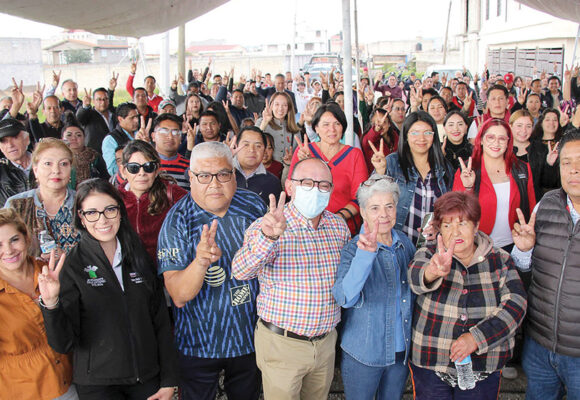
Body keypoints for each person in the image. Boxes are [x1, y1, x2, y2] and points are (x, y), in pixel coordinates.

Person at [38, 178, 178, 399]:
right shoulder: (72, 265)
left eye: (109, 210)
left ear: (120, 212)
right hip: (98, 384)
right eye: (91, 213)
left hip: (146, 377)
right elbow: (63, 343)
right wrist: (51, 304)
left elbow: (160, 320)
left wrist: (169, 378)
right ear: (81, 219)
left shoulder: (139, 256)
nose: (102, 220)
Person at [232, 157, 351, 400]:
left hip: (326, 342)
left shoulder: (339, 227)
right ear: (289, 187)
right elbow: (241, 271)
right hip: (283, 344)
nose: (315, 190)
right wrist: (268, 237)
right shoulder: (268, 225)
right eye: (307, 182)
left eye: (323, 185)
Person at [157, 142, 266, 400]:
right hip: (198, 341)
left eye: (223, 174)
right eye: (204, 176)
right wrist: (200, 262)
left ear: (234, 174)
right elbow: (179, 295)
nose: (214, 183)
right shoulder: (177, 221)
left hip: (250, 336)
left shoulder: (253, 206)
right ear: (191, 178)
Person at [408, 191, 527, 399]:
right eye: (447, 225)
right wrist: (433, 272)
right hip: (431, 361)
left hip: (484, 365)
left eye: (462, 223)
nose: (455, 232)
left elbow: (516, 304)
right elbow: (415, 278)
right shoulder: (428, 253)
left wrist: (476, 338)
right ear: (439, 230)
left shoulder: (500, 259)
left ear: (476, 226)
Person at [510, 131, 580, 399]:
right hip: (539, 346)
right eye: (566, 163)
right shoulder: (547, 205)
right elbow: (523, 268)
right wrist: (524, 249)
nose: (573, 170)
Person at [332, 176, 416, 400]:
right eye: (375, 208)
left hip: (400, 352)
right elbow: (344, 298)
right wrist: (365, 256)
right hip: (364, 353)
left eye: (389, 206)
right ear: (363, 211)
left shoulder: (405, 245)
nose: (383, 214)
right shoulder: (353, 248)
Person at [0, 208, 76, 400]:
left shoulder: (49, 272)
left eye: (14, 240)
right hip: (23, 390)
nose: (8, 250)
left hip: (71, 382)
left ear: (26, 238)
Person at [453, 118, 536, 251]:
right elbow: (457, 214)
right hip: (478, 246)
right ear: (481, 140)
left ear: (508, 142)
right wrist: (468, 187)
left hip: (515, 245)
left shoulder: (522, 168)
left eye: (502, 138)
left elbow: (531, 210)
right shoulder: (467, 170)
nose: (496, 143)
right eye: (490, 137)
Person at [373, 111, 453, 246]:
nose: (421, 138)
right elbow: (370, 198)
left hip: (431, 248)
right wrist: (380, 172)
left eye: (427, 133)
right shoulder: (392, 162)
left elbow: (451, 210)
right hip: (397, 245)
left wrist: (440, 228)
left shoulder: (444, 168)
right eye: (415, 133)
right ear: (406, 136)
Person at [289, 102, 369, 235]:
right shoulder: (304, 151)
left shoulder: (354, 155)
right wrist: (305, 164)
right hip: (305, 227)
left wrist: (335, 220)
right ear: (316, 128)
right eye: (326, 124)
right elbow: (291, 189)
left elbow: (361, 197)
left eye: (337, 124)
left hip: (343, 227)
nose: (332, 129)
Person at [4, 138, 80, 257]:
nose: (56, 170)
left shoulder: (83, 202)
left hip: (78, 273)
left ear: (70, 170)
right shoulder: (16, 205)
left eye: (63, 164)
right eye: (48, 164)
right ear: (35, 170)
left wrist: (66, 258)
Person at [118, 140, 187, 266]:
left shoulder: (174, 194)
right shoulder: (114, 199)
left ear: (156, 170)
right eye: (134, 168)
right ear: (123, 171)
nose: (142, 173)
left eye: (148, 167)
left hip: (167, 270)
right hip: (129, 272)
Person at [234, 126, 281, 205]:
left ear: (264, 149)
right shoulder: (221, 173)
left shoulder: (273, 182)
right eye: (246, 145)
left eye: (258, 146)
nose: (252, 150)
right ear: (236, 146)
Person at [61, 116, 109, 188]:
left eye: (78, 135)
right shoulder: (59, 158)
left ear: (84, 138)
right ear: (62, 138)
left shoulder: (94, 156)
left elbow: (105, 179)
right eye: (69, 135)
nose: (74, 138)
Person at [102, 102, 148, 176]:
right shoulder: (110, 140)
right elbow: (113, 170)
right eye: (132, 118)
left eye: (137, 117)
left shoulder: (141, 133)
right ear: (120, 119)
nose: (136, 120)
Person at [528, 108, 564, 198]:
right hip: (541, 194)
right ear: (541, 123)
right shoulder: (532, 144)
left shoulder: (564, 142)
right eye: (547, 119)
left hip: (563, 191)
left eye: (555, 120)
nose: (551, 123)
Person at [0, 118, 36, 205]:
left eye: (14, 138)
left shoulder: (45, 164)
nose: (10, 145)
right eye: (4, 141)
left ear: (27, 139)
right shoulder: (2, 172)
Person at [257, 91, 300, 162]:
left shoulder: (294, 128)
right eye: (277, 104)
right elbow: (253, 140)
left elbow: (298, 153)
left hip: (287, 170)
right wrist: (265, 122)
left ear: (289, 108)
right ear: (271, 106)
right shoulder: (261, 122)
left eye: (284, 105)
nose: (280, 108)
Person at [152, 113, 191, 189]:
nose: (170, 137)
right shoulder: (146, 166)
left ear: (181, 139)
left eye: (175, 132)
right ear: (153, 136)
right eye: (164, 131)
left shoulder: (190, 167)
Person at [76, 83, 117, 152]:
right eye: (99, 99)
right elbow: (79, 119)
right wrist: (85, 106)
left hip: (114, 152)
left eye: (105, 99)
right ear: (93, 101)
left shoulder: (114, 113)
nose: (102, 102)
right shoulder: (89, 114)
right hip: (95, 155)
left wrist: (111, 89)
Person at [361, 107, 399, 173]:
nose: (380, 125)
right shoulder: (368, 140)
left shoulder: (395, 136)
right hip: (376, 179)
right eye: (375, 124)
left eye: (384, 122)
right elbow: (370, 138)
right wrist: (376, 129)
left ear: (389, 124)